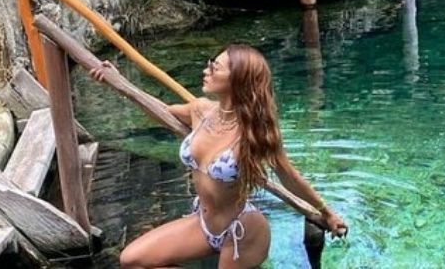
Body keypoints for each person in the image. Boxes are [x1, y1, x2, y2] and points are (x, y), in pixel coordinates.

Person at [94, 45, 349, 268]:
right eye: (210, 64)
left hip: (242, 231)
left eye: (215, 67)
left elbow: (290, 177)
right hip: (203, 224)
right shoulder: (201, 110)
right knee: (131, 260)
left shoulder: (254, 133)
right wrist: (120, 84)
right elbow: (160, 110)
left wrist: (325, 211)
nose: (207, 71)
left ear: (238, 80)